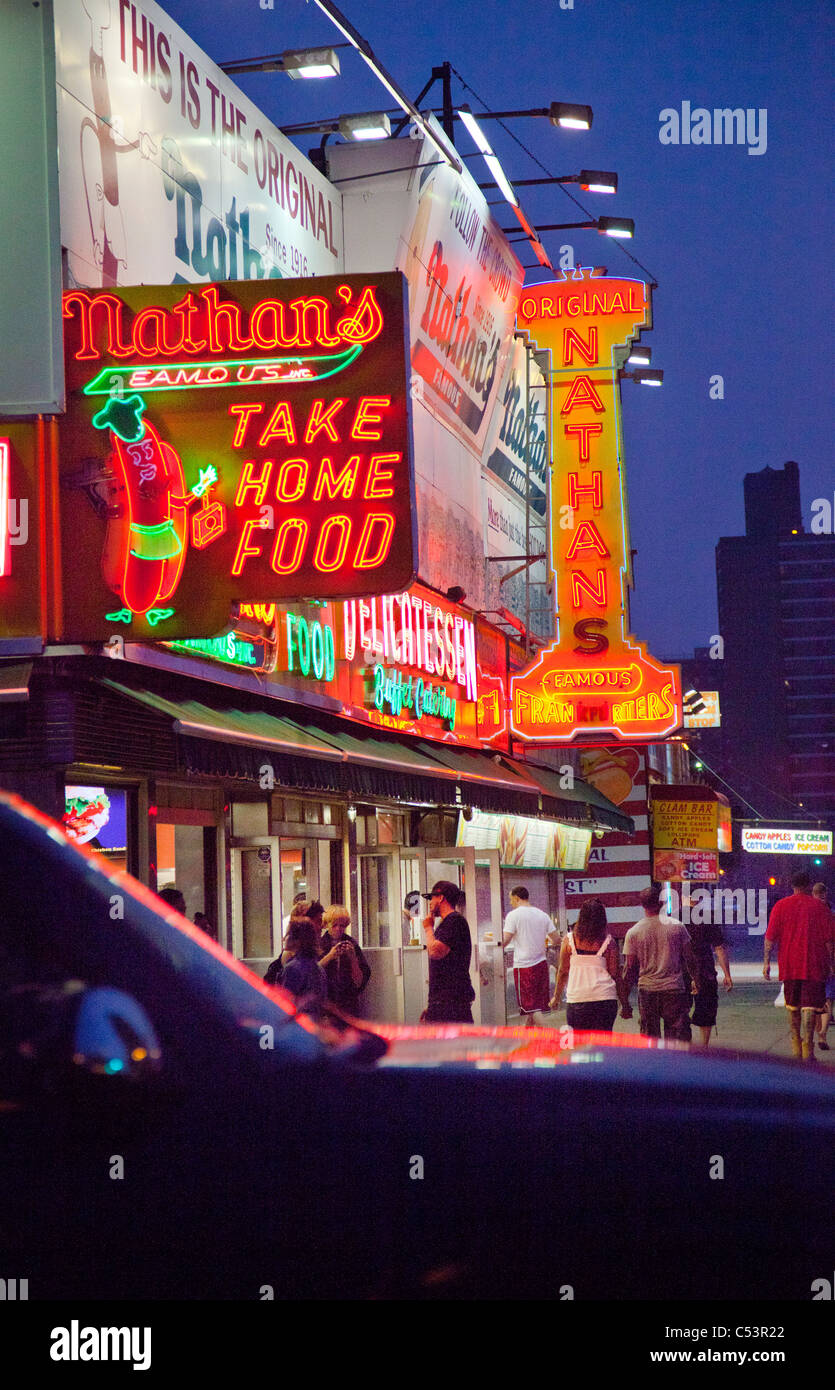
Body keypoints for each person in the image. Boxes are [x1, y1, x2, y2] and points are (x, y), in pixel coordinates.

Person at [764, 871, 835, 1061]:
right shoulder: (820, 908)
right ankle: (808, 1050)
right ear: (809, 885)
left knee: (792, 1007)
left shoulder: (780, 906)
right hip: (815, 965)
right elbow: (829, 940)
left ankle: (796, 1048)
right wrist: (831, 963)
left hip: (789, 965)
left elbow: (770, 938)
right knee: (810, 1008)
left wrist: (766, 963)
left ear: (791, 885)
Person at [622, 884, 700, 1041]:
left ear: (642, 905)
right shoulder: (677, 927)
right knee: (678, 1039)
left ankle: (655, 1065)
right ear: (661, 903)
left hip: (647, 991)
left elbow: (629, 969)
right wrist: (696, 981)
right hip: (674, 990)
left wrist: (624, 1001)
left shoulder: (633, 932)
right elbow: (690, 958)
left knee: (650, 1039)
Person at [550, 899, 629, 1031]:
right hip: (605, 999)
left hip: (577, 999)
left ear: (581, 917)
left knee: (580, 1044)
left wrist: (556, 997)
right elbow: (615, 975)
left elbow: (563, 971)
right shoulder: (609, 943)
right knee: (603, 1044)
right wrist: (625, 1004)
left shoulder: (569, 941)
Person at [421, 880, 475, 1024]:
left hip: (451, 1003)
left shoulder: (454, 921)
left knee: (450, 1046)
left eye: (431, 898)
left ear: (441, 897)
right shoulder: (447, 923)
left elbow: (435, 951)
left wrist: (428, 928)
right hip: (445, 1001)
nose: (430, 903)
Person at [501, 886, 553, 1025]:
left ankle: (551, 1036)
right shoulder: (543, 914)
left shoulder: (514, 915)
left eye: (511, 900)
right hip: (541, 964)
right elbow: (556, 939)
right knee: (535, 1005)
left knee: (530, 1007)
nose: (511, 903)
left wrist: (494, 942)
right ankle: (527, 1038)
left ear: (517, 898)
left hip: (524, 966)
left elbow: (504, 941)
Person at [687, 920, 733, 1046]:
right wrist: (727, 974)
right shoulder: (707, 918)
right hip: (704, 969)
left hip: (684, 969)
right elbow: (719, 948)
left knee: (681, 1011)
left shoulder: (675, 917)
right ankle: (704, 1046)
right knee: (707, 1009)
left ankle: (685, 1047)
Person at [319, 905, 371, 1014]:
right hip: (325, 1003)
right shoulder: (319, 945)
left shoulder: (351, 944)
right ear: (327, 925)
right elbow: (312, 972)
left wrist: (353, 958)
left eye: (342, 926)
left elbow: (359, 981)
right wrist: (329, 956)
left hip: (348, 1003)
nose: (338, 929)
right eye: (334, 925)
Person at [278, 917, 327, 1013]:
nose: (284, 938)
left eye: (287, 934)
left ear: (298, 940)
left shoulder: (292, 968)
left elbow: (286, 1005)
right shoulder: (319, 968)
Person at [812, 884, 834, 1050]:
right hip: (828, 964)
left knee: (814, 1001)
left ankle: (815, 1033)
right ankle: (822, 1035)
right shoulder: (831, 917)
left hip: (812, 964)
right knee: (827, 999)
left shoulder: (809, 917)